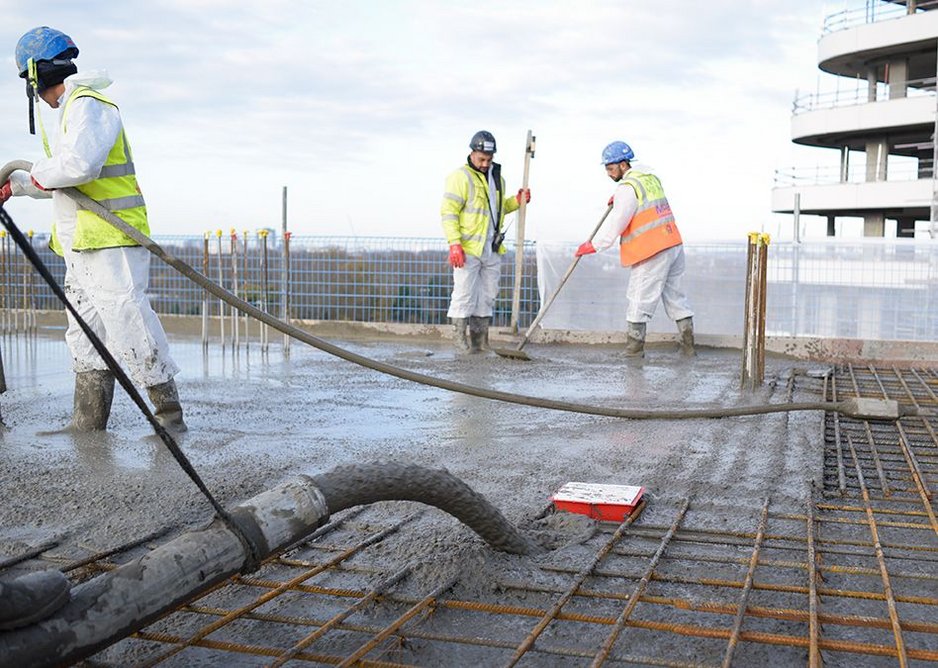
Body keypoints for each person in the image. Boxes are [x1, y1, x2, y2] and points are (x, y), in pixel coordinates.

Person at [0, 27, 186, 432]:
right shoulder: (71, 112)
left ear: (35, 76)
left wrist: (28, 171)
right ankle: (88, 419)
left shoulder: (89, 105)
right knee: (83, 333)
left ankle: (169, 416)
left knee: (128, 322)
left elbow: (80, 167)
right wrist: (14, 186)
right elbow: (65, 181)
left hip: (111, 241)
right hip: (82, 245)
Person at [575, 140, 694, 358]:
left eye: (611, 168)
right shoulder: (648, 179)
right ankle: (688, 346)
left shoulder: (627, 188)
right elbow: (644, 203)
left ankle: (634, 348)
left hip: (652, 250)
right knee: (676, 296)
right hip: (672, 243)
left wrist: (594, 245)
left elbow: (617, 224)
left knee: (639, 297)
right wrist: (620, 198)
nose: (608, 174)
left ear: (623, 165)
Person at [440, 130, 530, 353]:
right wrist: (454, 244)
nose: (485, 163)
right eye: (481, 159)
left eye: (489, 160)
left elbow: (497, 210)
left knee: (488, 295)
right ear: (472, 153)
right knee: (463, 293)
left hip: (491, 247)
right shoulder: (460, 177)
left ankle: (480, 342)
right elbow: (449, 212)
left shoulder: (497, 179)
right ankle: (461, 342)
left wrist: (516, 202)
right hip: (467, 248)